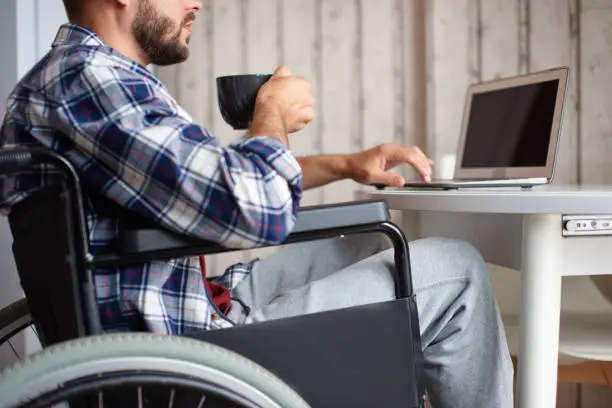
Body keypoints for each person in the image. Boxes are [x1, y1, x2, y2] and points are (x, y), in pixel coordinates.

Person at [0, 0, 514, 406]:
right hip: (193, 357)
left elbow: (213, 183)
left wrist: (344, 164)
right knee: (456, 268)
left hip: (192, 309)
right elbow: (253, 207)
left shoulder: (74, 79)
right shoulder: (95, 80)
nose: (197, 3)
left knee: (357, 244)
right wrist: (270, 113)